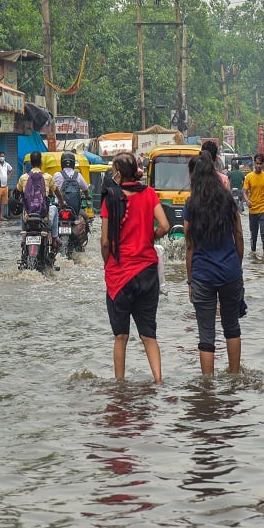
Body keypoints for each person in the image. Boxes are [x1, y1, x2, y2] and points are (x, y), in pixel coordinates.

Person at [100, 152, 170, 383]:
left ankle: (120, 386)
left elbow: (105, 242)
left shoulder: (110, 198)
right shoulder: (149, 194)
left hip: (119, 275)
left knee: (121, 336)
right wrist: (148, 237)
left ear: (118, 174)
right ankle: (158, 380)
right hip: (148, 273)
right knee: (149, 335)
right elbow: (165, 225)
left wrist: (107, 262)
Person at [184, 153, 244, 375]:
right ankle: (235, 378)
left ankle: (207, 389)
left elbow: (189, 245)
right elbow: (238, 235)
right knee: (232, 328)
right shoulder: (229, 200)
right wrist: (237, 267)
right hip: (230, 272)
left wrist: (190, 281)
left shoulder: (191, 204)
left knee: (206, 335)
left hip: (202, 275)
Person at [16, 151, 65, 247]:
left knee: (23, 210)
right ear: (41, 163)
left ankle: (23, 239)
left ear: (31, 162)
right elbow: (57, 193)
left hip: (28, 217)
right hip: (44, 218)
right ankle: (54, 239)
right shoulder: (47, 177)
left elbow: (17, 193)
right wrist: (62, 202)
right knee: (54, 208)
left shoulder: (23, 178)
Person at [243, 153, 264, 260]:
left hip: (263, 210)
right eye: (257, 163)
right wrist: (247, 201)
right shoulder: (249, 177)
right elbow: (245, 192)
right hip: (252, 211)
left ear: (263, 164)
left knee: (263, 233)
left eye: (260, 163)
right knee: (253, 234)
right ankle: (253, 253)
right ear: (254, 164)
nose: (259, 165)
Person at [0, 151, 13, 220]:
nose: (2, 157)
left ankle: (1, 215)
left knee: (3, 202)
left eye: (3, 156)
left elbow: (12, 170)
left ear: (4, 157)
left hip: (5, 186)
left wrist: (9, 176)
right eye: (1, 156)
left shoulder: (7, 164)